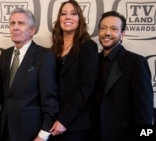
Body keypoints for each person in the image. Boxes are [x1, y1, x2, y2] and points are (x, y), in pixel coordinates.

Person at [0, 8, 59, 141]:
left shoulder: (45, 56)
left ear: (32, 30)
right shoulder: (5, 55)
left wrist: (43, 135)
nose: (15, 27)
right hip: (4, 130)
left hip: (30, 132)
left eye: (21, 23)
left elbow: (50, 100)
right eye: (12, 23)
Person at [93, 11, 154, 141]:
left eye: (114, 29)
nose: (107, 33)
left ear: (122, 34)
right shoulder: (93, 62)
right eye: (103, 28)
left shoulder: (136, 62)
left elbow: (145, 110)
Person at [48, 1, 99, 141]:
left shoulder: (88, 47)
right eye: (63, 14)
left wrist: (64, 119)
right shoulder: (54, 49)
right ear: (59, 19)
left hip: (76, 123)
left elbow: (86, 88)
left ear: (79, 19)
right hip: (53, 121)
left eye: (73, 13)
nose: (68, 17)